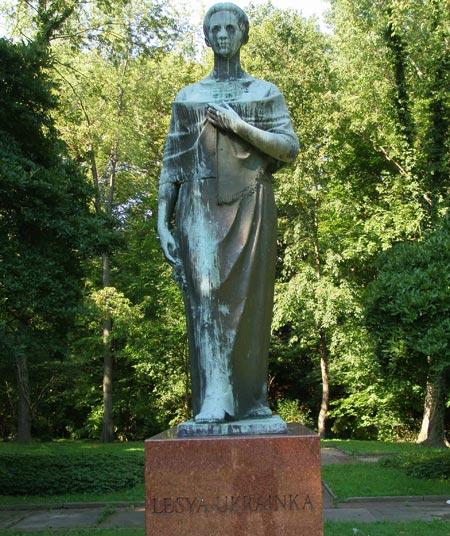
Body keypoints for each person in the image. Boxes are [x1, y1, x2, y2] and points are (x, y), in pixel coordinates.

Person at [157, 2, 299, 424]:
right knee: (205, 299)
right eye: (213, 29)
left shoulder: (264, 93)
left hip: (252, 202)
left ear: (243, 34)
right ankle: (214, 395)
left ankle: (250, 400)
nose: (221, 35)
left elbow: (288, 149)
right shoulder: (189, 97)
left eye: (229, 28)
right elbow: (172, 164)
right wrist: (161, 219)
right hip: (197, 206)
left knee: (250, 304)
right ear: (205, 37)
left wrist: (238, 126)